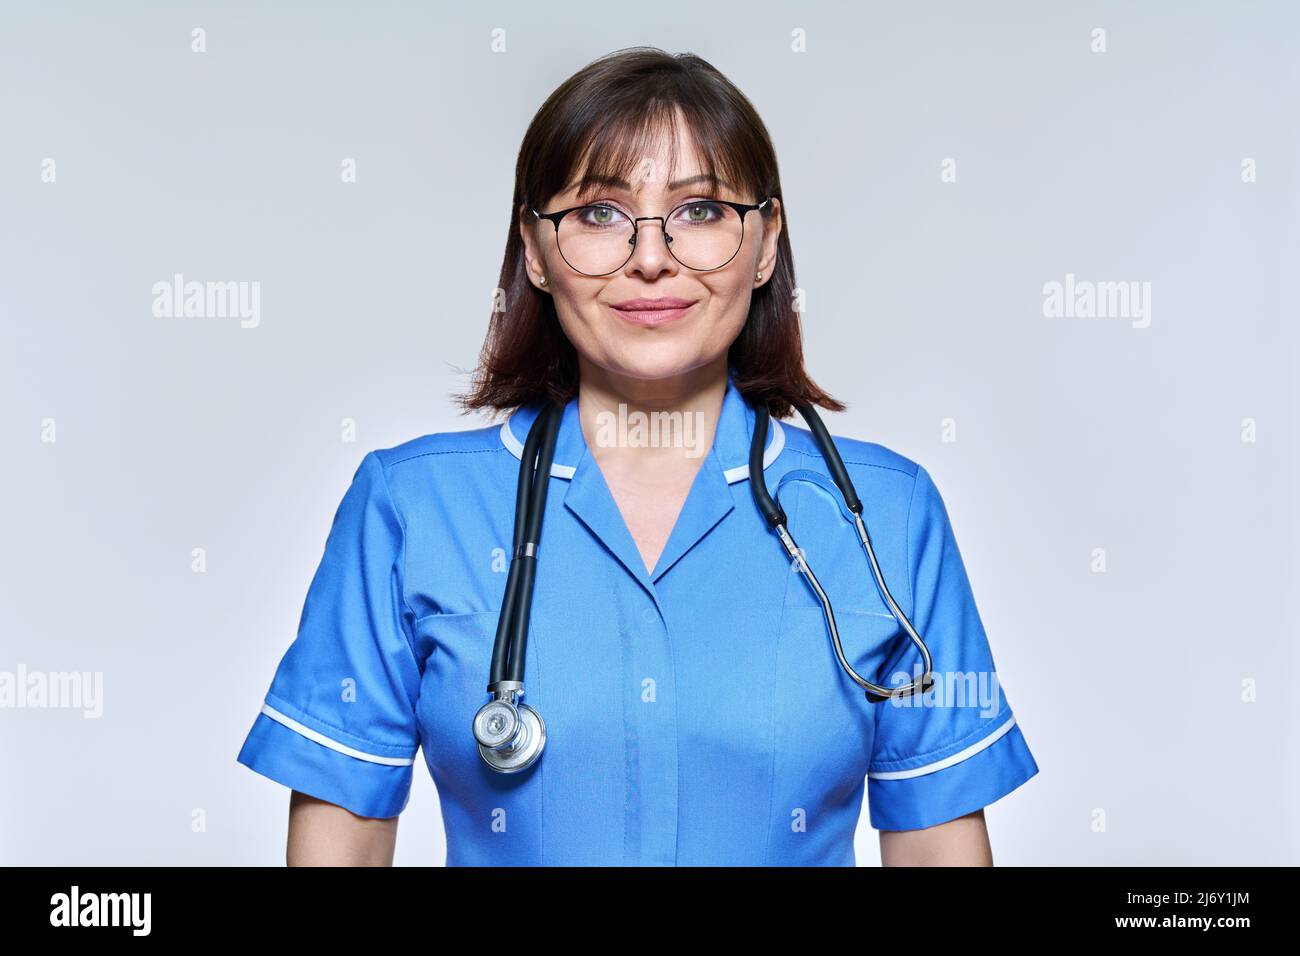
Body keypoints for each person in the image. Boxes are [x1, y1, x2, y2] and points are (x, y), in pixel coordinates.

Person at [236, 46, 1038, 866]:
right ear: (536, 252)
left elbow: (939, 850)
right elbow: (341, 850)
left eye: (700, 211)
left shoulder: (889, 517)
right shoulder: (410, 507)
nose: (649, 258)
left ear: (765, 245)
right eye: (598, 214)